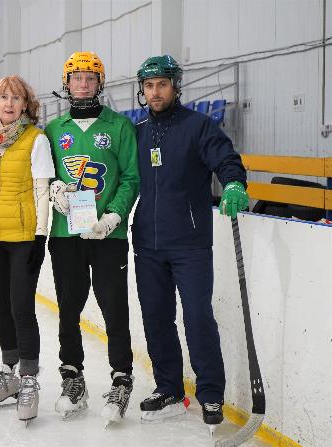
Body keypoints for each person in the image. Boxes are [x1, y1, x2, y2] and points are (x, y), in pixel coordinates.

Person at [132, 55, 249, 430]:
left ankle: (210, 392)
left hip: (190, 243)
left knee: (198, 317)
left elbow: (227, 160)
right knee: (156, 318)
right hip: (147, 243)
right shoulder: (137, 132)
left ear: (175, 87)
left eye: (162, 85)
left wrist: (233, 183)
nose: (155, 92)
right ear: (142, 90)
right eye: (149, 86)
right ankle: (168, 387)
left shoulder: (199, 126)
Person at [44, 52, 140, 424]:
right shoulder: (54, 130)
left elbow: (131, 177)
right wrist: (53, 188)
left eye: (90, 78)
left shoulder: (119, 126)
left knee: (114, 306)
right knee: (68, 308)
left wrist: (114, 214)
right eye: (76, 78)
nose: (83, 84)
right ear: (66, 84)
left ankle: (121, 378)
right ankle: (73, 377)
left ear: (100, 83)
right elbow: (44, 173)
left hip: (108, 235)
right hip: (66, 234)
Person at [0, 75, 55, 424]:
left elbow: (41, 190)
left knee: (21, 308)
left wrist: (41, 236)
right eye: (3, 97)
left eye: (16, 98)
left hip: (24, 238)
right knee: (1, 309)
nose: (9, 104)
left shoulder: (35, 140)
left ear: (27, 105)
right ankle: (8, 373)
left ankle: (29, 380)